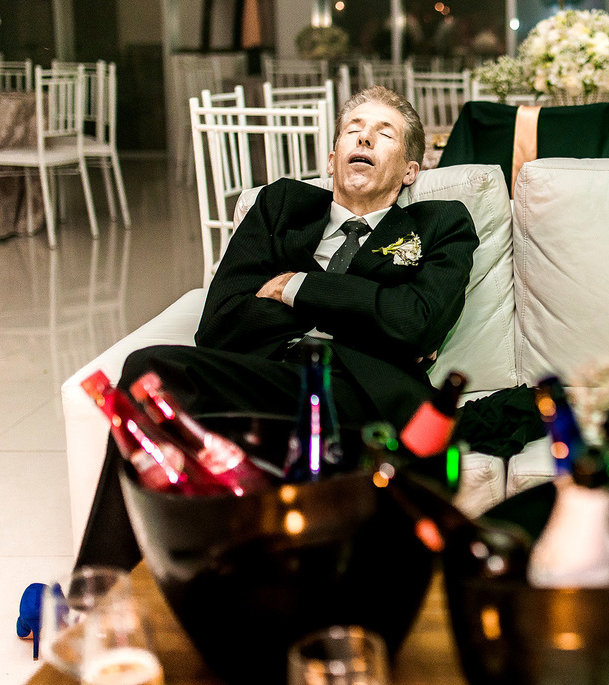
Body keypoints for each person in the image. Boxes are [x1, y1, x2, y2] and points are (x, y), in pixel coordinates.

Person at [75, 85, 479, 570]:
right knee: (148, 372)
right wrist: (368, 312)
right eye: (353, 130)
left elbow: (417, 323)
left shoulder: (441, 223)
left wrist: (295, 286)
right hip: (266, 379)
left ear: (410, 171)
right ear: (332, 159)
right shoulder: (281, 205)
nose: (364, 139)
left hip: (360, 396)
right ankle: (100, 583)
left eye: (384, 133)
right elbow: (220, 324)